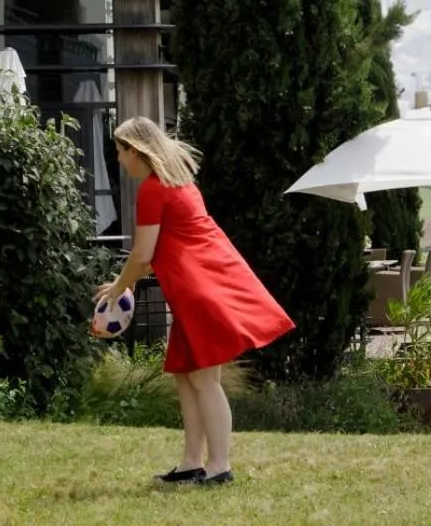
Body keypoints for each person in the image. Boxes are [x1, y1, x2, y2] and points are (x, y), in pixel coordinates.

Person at [97, 117, 294, 486]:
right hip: (200, 289)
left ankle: (219, 467)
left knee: (204, 381)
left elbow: (142, 256)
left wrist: (117, 289)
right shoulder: (181, 184)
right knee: (188, 378)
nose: (120, 161)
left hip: (198, 292)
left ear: (137, 152)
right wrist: (124, 283)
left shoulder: (154, 190)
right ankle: (192, 462)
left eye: (121, 152)